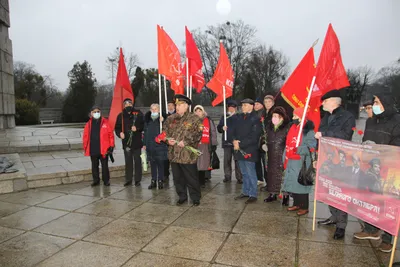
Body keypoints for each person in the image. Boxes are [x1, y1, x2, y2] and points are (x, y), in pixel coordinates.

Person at [353, 93, 400, 253]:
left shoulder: (396, 121)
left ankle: (387, 237)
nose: (374, 106)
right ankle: (371, 228)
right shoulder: (371, 121)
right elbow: (366, 141)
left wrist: (384, 155)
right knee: (371, 198)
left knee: (388, 203)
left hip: (390, 168)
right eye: (374, 103)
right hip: (371, 167)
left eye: (378, 102)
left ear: (386, 102)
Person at [315, 89, 356, 240]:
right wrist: (317, 157)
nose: (323, 103)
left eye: (325, 101)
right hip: (327, 160)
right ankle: (333, 216)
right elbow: (320, 136)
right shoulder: (325, 117)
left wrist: (326, 134)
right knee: (328, 190)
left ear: (334, 101)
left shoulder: (347, 117)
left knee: (340, 192)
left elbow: (346, 136)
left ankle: (341, 225)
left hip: (341, 161)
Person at [163, 94, 203, 206]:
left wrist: (186, 142)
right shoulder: (171, 119)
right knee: (178, 178)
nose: (177, 107)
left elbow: (198, 134)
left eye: (180, 105)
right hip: (174, 154)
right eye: (176, 105)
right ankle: (182, 196)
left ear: (186, 106)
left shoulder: (194, 118)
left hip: (187, 155)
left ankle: (195, 197)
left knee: (191, 178)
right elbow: (164, 133)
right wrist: (167, 140)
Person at [282, 107, 317, 215]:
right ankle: (296, 204)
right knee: (293, 183)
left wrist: (298, 149)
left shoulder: (308, 131)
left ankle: (304, 207)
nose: (293, 118)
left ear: (301, 117)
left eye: (295, 115)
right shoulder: (293, 127)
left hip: (301, 162)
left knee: (301, 183)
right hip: (291, 159)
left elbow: (311, 147)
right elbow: (288, 143)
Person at [233, 98, 262, 204]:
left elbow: (254, 137)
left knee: (251, 172)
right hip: (239, 148)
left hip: (250, 149)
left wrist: (240, 143)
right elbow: (234, 130)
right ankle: (245, 191)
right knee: (244, 173)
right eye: (242, 105)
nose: (243, 107)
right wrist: (234, 140)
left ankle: (253, 194)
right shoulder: (240, 117)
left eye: (245, 105)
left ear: (251, 106)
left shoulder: (255, 119)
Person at [115, 98, 145, 187]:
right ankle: (128, 179)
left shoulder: (138, 113)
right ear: (124, 105)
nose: (128, 105)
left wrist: (138, 128)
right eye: (126, 104)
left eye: (130, 104)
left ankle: (137, 180)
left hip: (136, 142)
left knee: (137, 161)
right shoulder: (120, 115)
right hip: (126, 142)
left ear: (132, 104)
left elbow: (143, 125)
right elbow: (117, 128)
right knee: (128, 161)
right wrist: (119, 133)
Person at [83, 106, 115, 187]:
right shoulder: (88, 124)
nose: (96, 113)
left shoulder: (105, 122)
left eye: (98, 111)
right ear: (91, 113)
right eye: (95, 112)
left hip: (104, 148)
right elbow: (85, 136)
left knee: (105, 166)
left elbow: (111, 135)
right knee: (94, 165)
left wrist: (111, 146)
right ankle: (96, 180)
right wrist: (85, 147)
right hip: (93, 148)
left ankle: (106, 180)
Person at [264, 106, 290, 203]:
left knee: (282, 176)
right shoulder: (269, 127)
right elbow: (264, 137)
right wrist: (263, 144)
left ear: (282, 117)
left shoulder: (287, 127)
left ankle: (285, 195)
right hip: (270, 154)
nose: (274, 118)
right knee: (271, 174)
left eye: (276, 116)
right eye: (273, 116)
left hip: (281, 154)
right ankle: (272, 193)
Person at [217, 100, 242, 184]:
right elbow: (219, 128)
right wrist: (221, 128)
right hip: (226, 142)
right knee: (227, 161)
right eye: (230, 107)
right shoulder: (224, 117)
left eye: (233, 107)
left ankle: (239, 177)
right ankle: (227, 176)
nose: (231, 109)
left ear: (235, 108)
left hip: (236, 142)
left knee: (237, 160)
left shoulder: (239, 116)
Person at [143, 104, 168, 190]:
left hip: (160, 145)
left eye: (156, 109)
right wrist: (144, 144)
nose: (154, 111)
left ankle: (160, 180)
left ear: (159, 110)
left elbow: (168, 130)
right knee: (152, 164)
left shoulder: (162, 120)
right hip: (150, 145)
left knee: (160, 164)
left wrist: (163, 121)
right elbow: (145, 133)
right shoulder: (147, 120)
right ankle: (153, 180)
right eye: (152, 109)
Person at [194, 105, 218, 188]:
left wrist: (214, 143)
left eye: (199, 111)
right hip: (195, 145)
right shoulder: (192, 120)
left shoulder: (208, 120)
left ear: (203, 111)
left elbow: (213, 132)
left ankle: (202, 181)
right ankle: (196, 180)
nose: (198, 113)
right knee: (195, 163)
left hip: (205, 144)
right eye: (196, 111)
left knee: (203, 163)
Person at [260, 94, 276, 192]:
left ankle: (273, 185)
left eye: (269, 102)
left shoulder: (275, 113)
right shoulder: (263, 113)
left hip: (272, 142)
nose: (267, 104)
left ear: (273, 103)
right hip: (264, 141)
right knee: (265, 164)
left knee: (271, 165)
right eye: (265, 102)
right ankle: (268, 183)